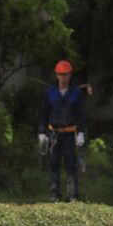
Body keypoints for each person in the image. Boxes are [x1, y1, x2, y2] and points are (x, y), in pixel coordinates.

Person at [37, 59, 87, 202]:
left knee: (71, 164)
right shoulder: (50, 92)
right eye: (60, 74)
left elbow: (81, 114)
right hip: (54, 134)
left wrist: (81, 133)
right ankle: (55, 194)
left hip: (70, 133)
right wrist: (42, 132)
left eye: (65, 74)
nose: (63, 77)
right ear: (56, 75)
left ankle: (72, 195)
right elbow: (44, 113)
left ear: (70, 75)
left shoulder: (76, 93)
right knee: (54, 164)